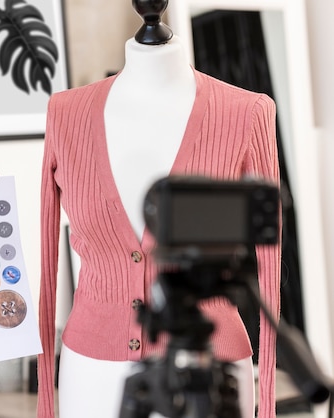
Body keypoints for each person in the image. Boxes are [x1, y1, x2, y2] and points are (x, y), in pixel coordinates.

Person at [36, 34, 281, 418]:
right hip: (92, 373)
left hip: (212, 368)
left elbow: (271, 263)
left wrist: (267, 404)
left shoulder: (247, 111)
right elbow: (47, 255)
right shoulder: (65, 111)